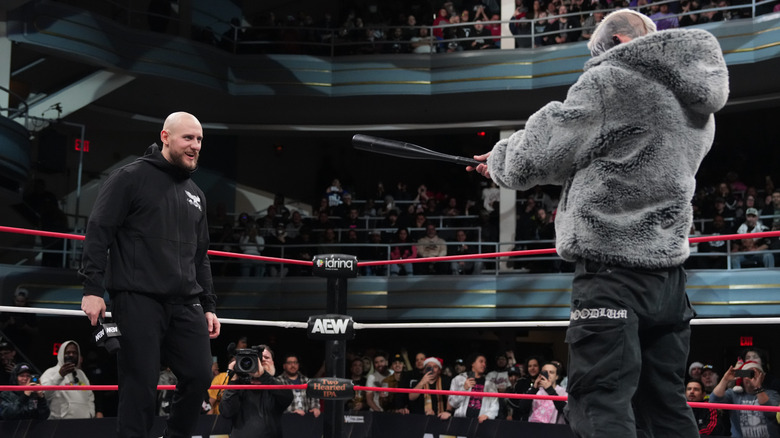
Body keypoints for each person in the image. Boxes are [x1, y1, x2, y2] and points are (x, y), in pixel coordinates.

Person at [469, 9, 729, 438]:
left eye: (600, 51)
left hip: (614, 270)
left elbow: (545, 149)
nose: (597, 62)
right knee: (664, 406)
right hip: (669, 280)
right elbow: (611, 147)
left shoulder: (613, 81)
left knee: (598, 400)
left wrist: (500, 160)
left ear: (622, 41)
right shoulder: (698, 97)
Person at [80, 112, 221, 438]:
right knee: (139, 384)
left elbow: (200, 257)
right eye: (188, 138)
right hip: (137, 297)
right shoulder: (129, 177)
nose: (195, 146)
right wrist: (92, 289)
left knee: (200, 375)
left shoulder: (196, 195)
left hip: (186, 302)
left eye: (199, 140)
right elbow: (99, 231)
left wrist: (210, 305)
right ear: (165, 137)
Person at [220, 345, 293, 438]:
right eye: (257, 358)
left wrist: (263, 375)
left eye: (266, 358)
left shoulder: (278, 384)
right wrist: (233, 380)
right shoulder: (239, 386)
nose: (261, 361)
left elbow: (287, 398)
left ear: (273, 363)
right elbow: (226, 412)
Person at [709, 360, 780, 437]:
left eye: (754, 374)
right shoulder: (734, 394)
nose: (751, 377)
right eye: (747, 373)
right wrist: (725, 379)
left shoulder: (772, 394)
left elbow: (771, 414)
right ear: (742, 377)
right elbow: (713, 401)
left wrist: (758, 388)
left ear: (762, 377)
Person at [40, 340, 96, 419]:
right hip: (59, 423)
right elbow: (43, 395)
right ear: (61, 354)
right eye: (68, 352)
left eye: (74, 353)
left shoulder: (81, 374)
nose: (71, 355)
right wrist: (59, 375)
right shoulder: (50, 372)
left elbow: (90, 395)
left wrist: (91, 413)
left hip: (83, 423)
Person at [445, 353, 498, 423]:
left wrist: (488, 415)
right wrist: (464, 389)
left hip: (481, 423)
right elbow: (453, 403)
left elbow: (495, 404)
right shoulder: (458, 379)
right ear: (472, 363)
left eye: (485, 362)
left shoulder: (490, 384)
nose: (484, 365)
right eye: (481, 361)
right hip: (460, 421)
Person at [278, 353, 321, 418]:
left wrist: (315, 408)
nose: (293, 365)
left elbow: (314, 397)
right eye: (289, 363)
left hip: (306, 419)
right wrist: (292, 413)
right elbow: (276, 403)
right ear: (284, 366)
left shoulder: (307, 381)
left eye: (295, 363)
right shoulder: (278, 381)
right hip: (286, 419)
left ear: (298, 365)